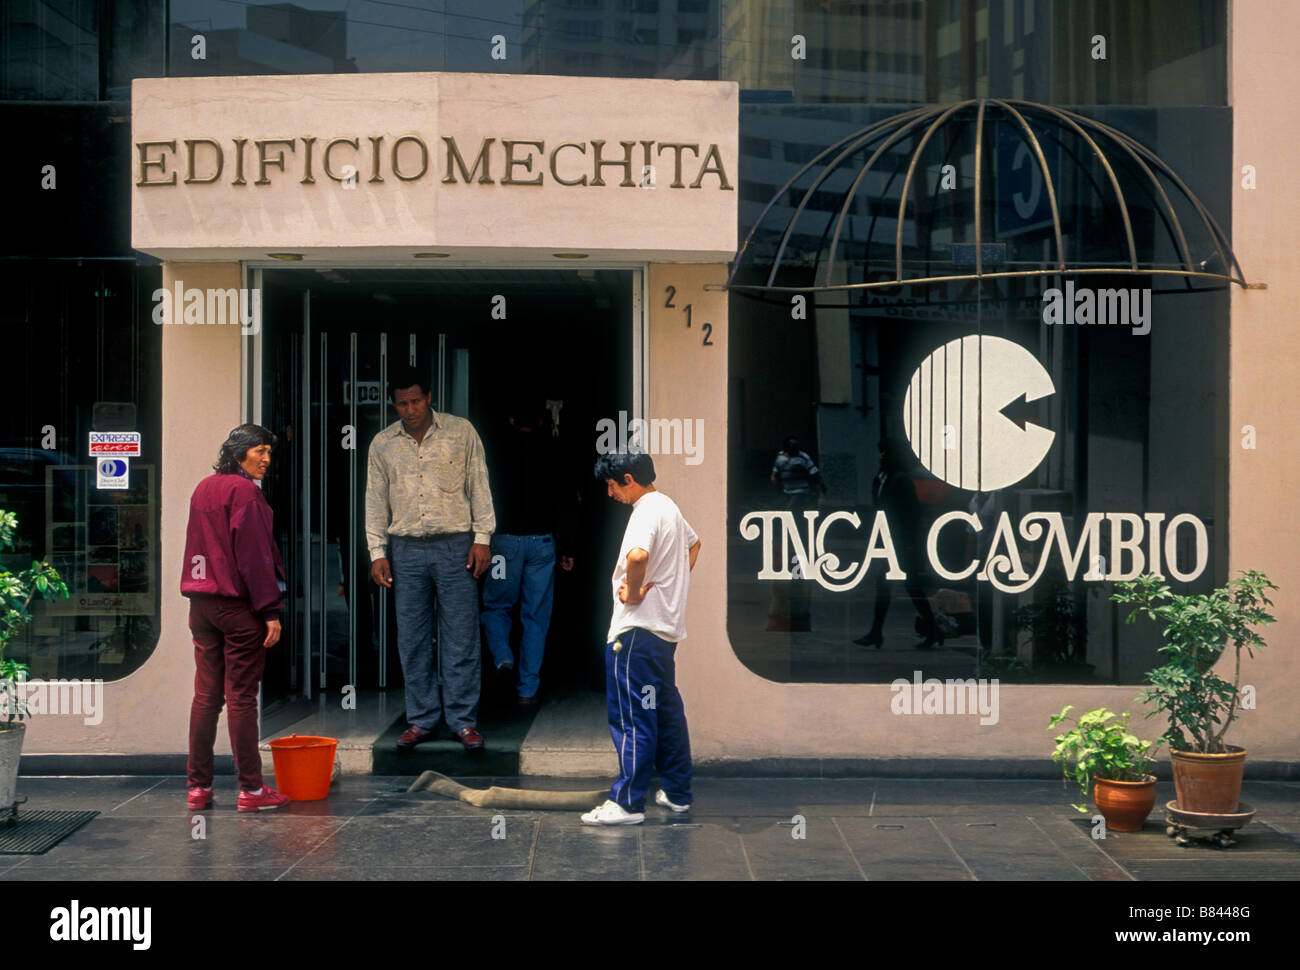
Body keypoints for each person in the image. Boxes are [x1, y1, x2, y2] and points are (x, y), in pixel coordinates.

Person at [365, 365, 495, 751]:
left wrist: (482, 537)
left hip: (456, 545)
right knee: (413, 638)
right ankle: (421, 720)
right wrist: (377, 552)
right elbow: (374, 501)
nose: (410, 409)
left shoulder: (460, 432)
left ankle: (462, 721)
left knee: (461, 636)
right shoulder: (382, 444)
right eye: (402, 403)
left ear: (430, 397)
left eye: (416, 400)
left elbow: (479, 484)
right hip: (405, 550)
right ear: (394, 403)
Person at [581, 450, 701, 826]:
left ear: (629, 480)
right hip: (663, 634)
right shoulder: (670, 507)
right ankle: (678, 792)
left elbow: (636, 557)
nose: (611, 494)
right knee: (665, 713)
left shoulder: (646, 510)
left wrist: (633, 594)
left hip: (634, 635)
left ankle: (628, 804)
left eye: (612, 486)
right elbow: (694, 546)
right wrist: (670, 585)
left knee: (634, 718)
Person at [181, 424, 291, 812]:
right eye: (258, 451)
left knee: (206, 697)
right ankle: (252, 790)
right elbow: (255, 558)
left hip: (201, 605)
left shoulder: (203, 488)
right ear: (238, 453)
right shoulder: (246, 493)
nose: (266, 459)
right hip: (239, 608)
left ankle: (199, 788)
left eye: (269, 452)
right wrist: (270, 611)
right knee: (241, 697)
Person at [480, 396, 577, 705]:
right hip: (543, 545)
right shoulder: (554, 451)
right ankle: (527, 689)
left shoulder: (493, 454)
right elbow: (567, 500)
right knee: (535, 617)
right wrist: (567, 546)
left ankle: (502, 658)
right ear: (540, 421)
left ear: (510, 420)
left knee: (496, 607)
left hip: (503, 544)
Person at [853, 438, 940, 649]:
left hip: (900, 543)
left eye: (886, 452)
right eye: (880, 452)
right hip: (886, 541)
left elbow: (912, 514)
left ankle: (931, 631)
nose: (882, 456)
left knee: (909, 587)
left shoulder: (901, 479)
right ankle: (878, 633)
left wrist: (911, 544)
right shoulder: (881, 478)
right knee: (893, 586)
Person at [766, 436, 826, 631]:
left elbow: (814, 474)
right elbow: (774, 476)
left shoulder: (803, 458)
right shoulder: (781, 459)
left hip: (798, 497)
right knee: (789, 577)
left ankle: (796, 618)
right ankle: (790, 618)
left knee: (796, 574)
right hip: (789, 499)